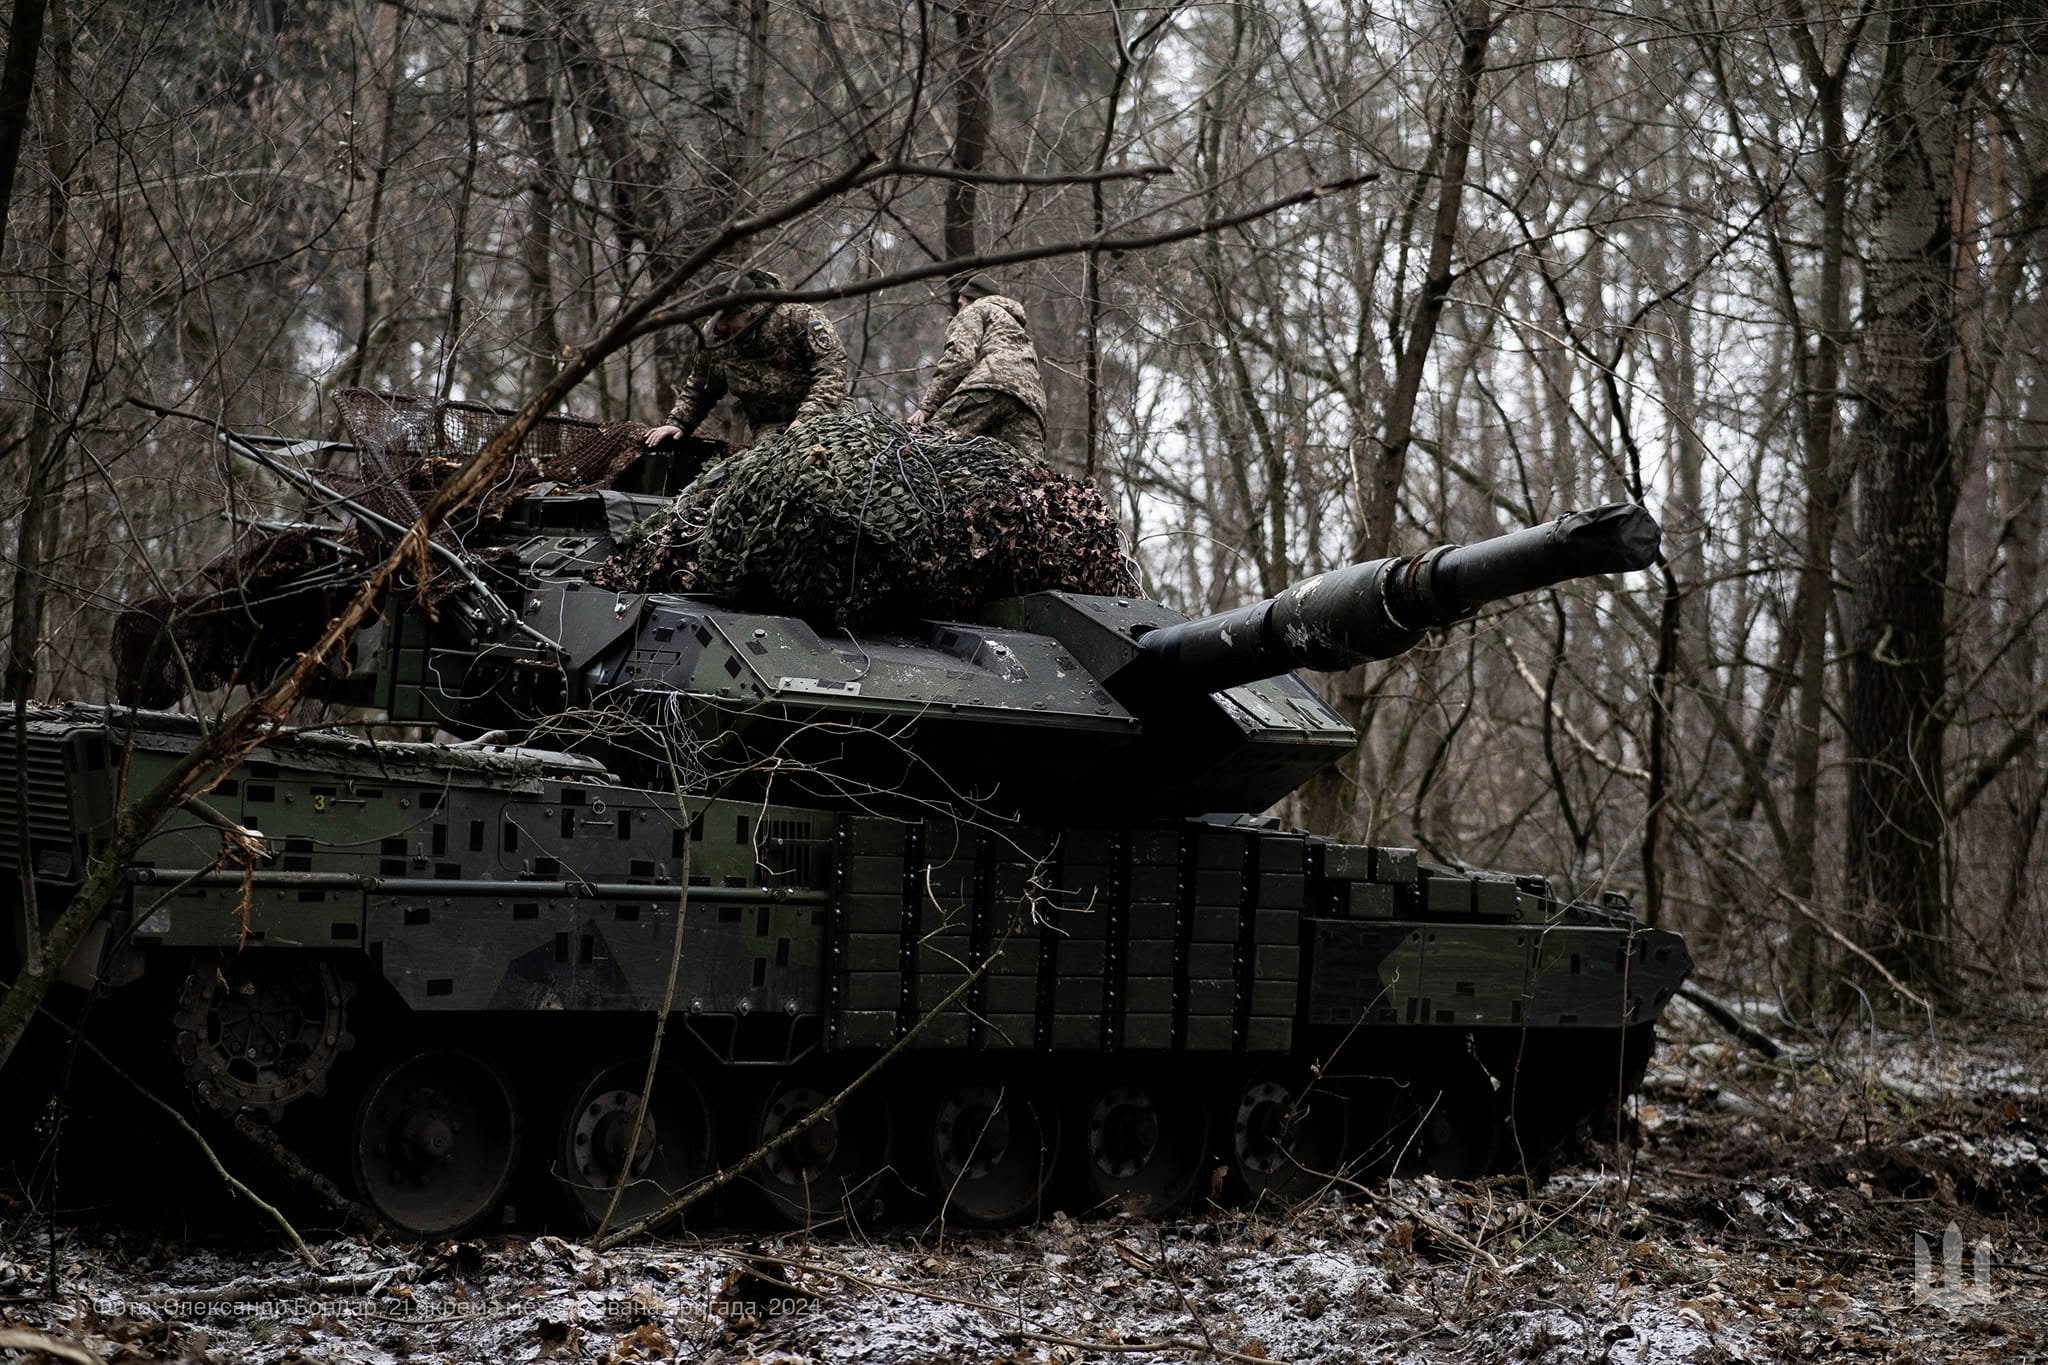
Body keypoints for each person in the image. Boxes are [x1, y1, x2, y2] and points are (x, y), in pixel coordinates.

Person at [644, 268, 850, 447]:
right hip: (770, 426)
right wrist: (677, 423)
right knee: (768, 472)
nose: (722, 326)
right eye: (717, 319)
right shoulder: (713, 337)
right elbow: (700, 388)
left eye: (729, 318)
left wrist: (808, 418)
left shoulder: (797, 318)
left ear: (752, 308)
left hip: (826, 415)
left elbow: (832, 368)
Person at [907, 275, 1047, 461]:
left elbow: (960, 358)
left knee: (929, 443)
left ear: (970, 298)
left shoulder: (975, 309)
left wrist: (928, 407)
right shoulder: (1014, 327)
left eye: (960, 304)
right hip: (1030, 401)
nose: (959, 309)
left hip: (988, 385)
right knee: (1029, 474)